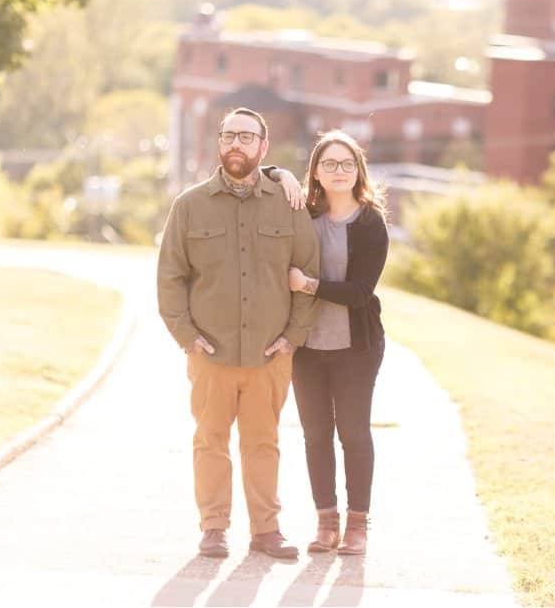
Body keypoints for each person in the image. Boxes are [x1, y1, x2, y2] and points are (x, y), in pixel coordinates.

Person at [157, 107, 321, 560]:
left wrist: (293, 337)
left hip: (272, 354)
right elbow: (170, 277)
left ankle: (267, 531)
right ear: (219, 142)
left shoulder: (288, 203)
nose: (236, 144)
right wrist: (187, 337)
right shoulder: (189, 205)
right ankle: (213, 528)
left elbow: (309, 270)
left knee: (263, 443)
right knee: (210, 441)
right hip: (210, 353)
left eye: (247, 137)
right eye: (229, 135)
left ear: (263, 148)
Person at [264, 129, 388, 555]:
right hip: (308, 347)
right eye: (329, 163)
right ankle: (326, 523)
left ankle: (358, 525)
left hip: (357, 347)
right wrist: (281, 174)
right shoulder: (303, 213)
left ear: (359, 171)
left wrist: (308, 285)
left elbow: (360, 293)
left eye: (347, 163)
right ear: (315, 170)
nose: (339, 171)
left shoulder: (371, 222)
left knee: (353, 433)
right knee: (316, 435)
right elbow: (253, 174)